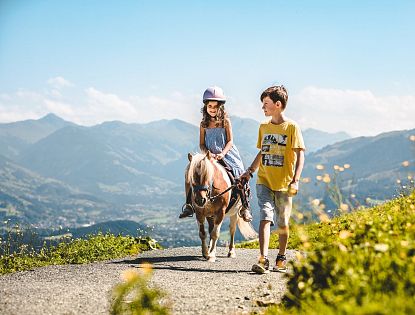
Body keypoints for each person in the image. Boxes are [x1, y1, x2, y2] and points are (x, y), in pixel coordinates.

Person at [240, 85, 305, 273]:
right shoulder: (263, 127)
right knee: (265, 217)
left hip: (285, 183)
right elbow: (263, 151)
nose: (263, 108)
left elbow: (300, 155)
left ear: (278, 104)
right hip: (264, 180)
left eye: (266, 104)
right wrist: (250, 171)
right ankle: (263, 259)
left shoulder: (292, 127)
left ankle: (281, 257)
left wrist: (296, 179)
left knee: (283, 221)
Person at [179, 86, 252, 222]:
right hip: (209, 155)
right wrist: (208, 154)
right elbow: (201, 143)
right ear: (205, 106)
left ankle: (245, 206)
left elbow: (230, 141)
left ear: (221, 107)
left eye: (215, 106)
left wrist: (222, 154)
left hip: (227, 154)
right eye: (210, 106)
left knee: (239, 175)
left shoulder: (225, 121)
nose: (212, 109)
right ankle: (189, 204)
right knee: (191, 173)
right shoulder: (203, 124)